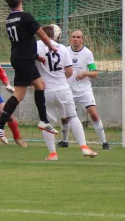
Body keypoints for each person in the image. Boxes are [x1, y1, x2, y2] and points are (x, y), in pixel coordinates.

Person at [0, 0, 59, 144]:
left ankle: (43, 120)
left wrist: (36, 56)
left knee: (40, 84)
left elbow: (22, 41)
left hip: (21, 56)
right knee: (19, 94)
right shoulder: (26, 16)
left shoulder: (9, 19)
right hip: (24, 59)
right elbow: (42, 35)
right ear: (20, 0)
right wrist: (51, 47)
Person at [35, 26, 97, 161]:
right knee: (73, 117)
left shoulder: (36, 46)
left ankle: (53, 154)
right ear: (55, 35)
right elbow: (69, 72)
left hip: (45, 90)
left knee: (46, 121)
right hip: (63, 88)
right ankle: (84, 147)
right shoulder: (63, 48)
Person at [57, 29, 110, 150]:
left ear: (82, 40)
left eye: (78, 37)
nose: (75, 39)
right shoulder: (64, 51)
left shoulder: (87, 53)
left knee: (94, 114)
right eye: (73, 37)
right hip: (68, 89)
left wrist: (85, 73)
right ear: (70, 39)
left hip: (84, 90)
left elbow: (95, 73)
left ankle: (104, 142)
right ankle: (64, 141)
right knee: (65, 117)